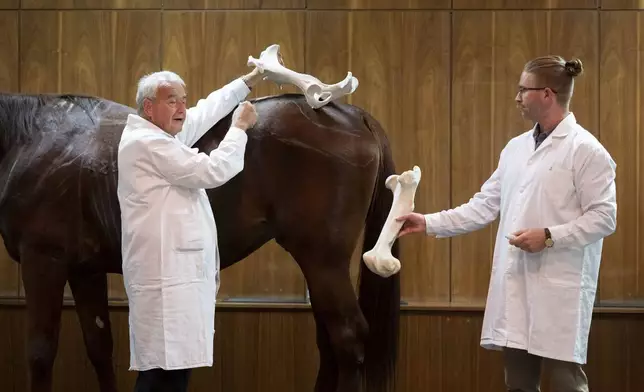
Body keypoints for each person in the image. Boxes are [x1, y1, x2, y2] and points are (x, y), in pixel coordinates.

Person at [396, 56, 617, 392]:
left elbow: (604, 217)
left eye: (522, 90)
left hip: (560, 291)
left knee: (564, 384)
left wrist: (548, 236)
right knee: (518, 383)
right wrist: (428, 222)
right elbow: (484, 205)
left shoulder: (587, 151)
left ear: (547, 94)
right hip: (517, 287)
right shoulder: (516, 149)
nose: (516, 97)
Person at [116, 65, 268, 392]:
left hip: (175, 279)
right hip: (165, 280)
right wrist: (239, 127)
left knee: (174, 373)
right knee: (162, 376)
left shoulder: (158, 134)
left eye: (183, 100)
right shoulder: (147, 144)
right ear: (148, 107)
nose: (182, 108)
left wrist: (246, 82)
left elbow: (203, 113)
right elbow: (212, 170)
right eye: (172, 101)